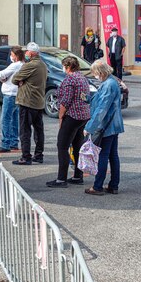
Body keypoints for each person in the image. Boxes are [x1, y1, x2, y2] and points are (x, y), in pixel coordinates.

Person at [47, 56, 91, 188]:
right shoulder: (82, 78)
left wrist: (61, 117)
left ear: (68, 67)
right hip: (83, 116)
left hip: (72, 116)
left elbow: (65, 102)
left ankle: (61, 179)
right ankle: (78, 176)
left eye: (64, 66)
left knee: (62, 146)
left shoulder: (70, 80)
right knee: (77, 146)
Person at [84, 59, 124, 195]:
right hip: (114, 125)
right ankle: (113, 185)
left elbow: (102, 108)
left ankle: (97, 186)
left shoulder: (108, 85)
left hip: (107, 126)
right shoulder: (112, 81)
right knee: (113, 155)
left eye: (95, 73)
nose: (95, 75)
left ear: (100, 72)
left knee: (103, 155)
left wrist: (89, 127)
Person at [12, 42, 47, 165]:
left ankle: (26, 156)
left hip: (27, 101)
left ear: (31, 53)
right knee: (39, 130)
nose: (25, 54)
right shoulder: (43, 64)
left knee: (25, 130)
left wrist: (22, 81)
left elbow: (14, 79)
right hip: (39, 102)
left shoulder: (30, 65)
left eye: (26, 52)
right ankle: (38, 155)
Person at [0, 46, 24, 153]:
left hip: (10, 94)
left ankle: (5, 143)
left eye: (11, 55)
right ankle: (14, 142)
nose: (10, 56)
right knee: (15, 119)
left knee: (5, 119)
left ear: (15, 56)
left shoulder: (14, 65)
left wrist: (3, 78)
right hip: (18, 94)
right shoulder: (23, 65)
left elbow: (1, 74)